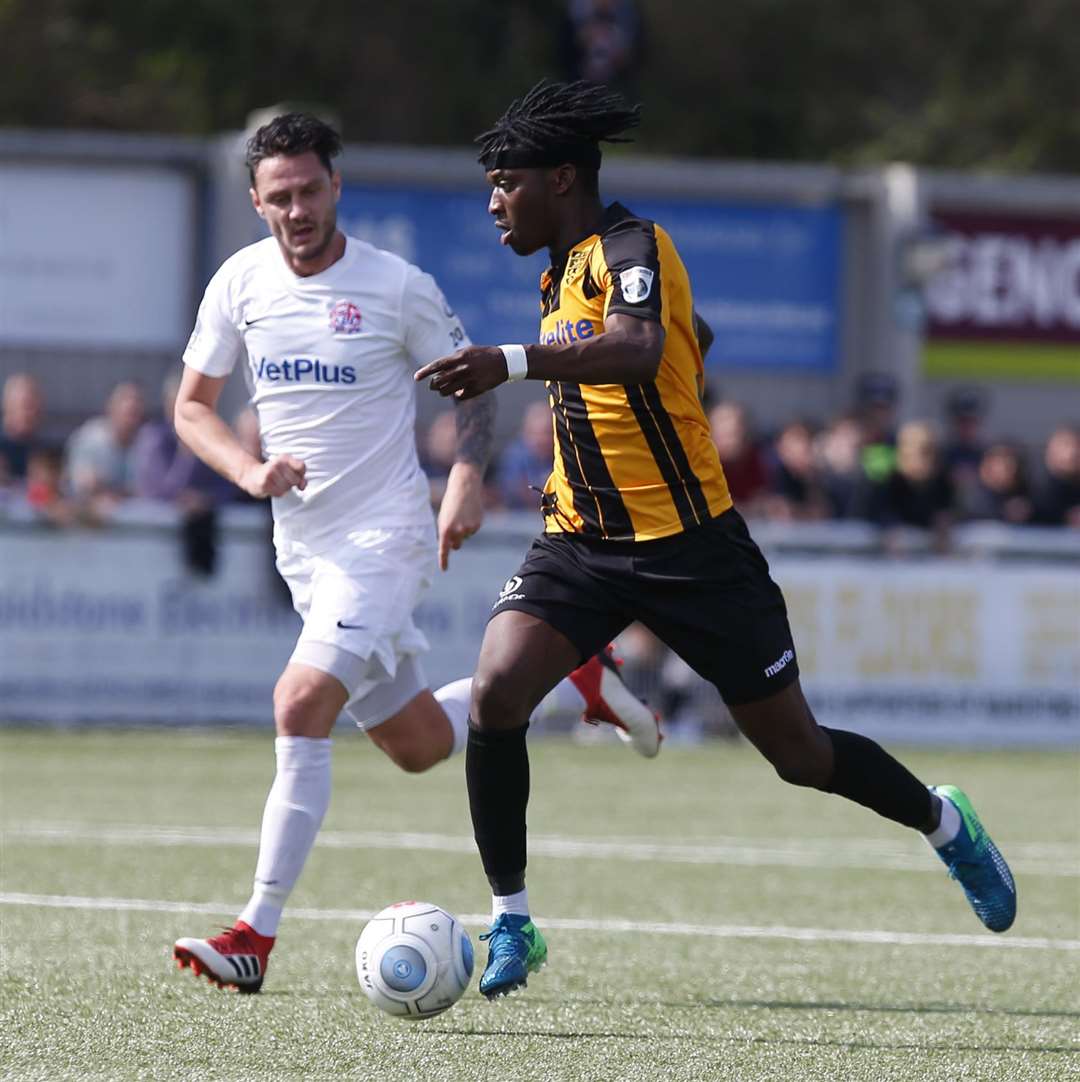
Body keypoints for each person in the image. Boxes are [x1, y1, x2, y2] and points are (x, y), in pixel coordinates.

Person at [415, 80, 1017, 999]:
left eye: (507, 181)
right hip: (582, 543)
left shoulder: (633, 244)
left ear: (563, 176)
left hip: (696, 552)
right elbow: (659, 355)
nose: (494, 200)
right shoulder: (558, 266)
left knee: (800, 756)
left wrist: (510, 360)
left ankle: (945, 824)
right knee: (496, 692)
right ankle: (513, 921)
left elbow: (638, 349)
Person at [170, 112, 660, 993]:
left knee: (297, 701)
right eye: (278, 197)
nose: (296, 210)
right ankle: (575, 678)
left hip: (385, 539)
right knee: (420, 745)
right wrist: (247, 471)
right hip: (306, 553)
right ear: (256, 202)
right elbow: (192, 409)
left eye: (310, 190)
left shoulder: (395, 286)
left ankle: (255, 934)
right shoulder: (238, 284)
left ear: (336, 186)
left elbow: (470, 389)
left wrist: (467, 477)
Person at [64, 380, 146, 505]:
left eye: (137, 402)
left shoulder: (148, 442)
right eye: (124, 400)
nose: (131, 405)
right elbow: (84, 484)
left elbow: (147, 489)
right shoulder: (89, 439)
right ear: (110, 406)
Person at [495, 398, 555, 509]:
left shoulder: (563, 456)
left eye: (548, 433)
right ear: (525, 432)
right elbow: (512, 491)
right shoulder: (514, 456)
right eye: (536, 433)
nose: (542, 440)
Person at [0, 372, 49, 488]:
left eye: (36, 406)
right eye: (26, 405)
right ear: (7, 406)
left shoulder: (44, 452)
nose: (32, 413)